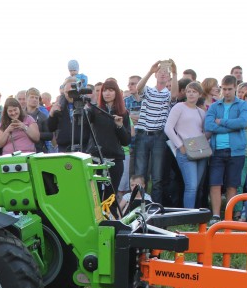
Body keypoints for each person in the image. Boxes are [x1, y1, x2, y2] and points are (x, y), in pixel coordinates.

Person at [132, 60, 180, 205]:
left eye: (166, 73)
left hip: (159, 136)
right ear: (156, 75)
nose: (163, 74)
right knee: (140, 175)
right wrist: (150, 71)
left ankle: (155, 209)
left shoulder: (167, 94)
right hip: (143, 134)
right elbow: (138, 89)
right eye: (160, 72)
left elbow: (174, 95)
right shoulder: (148, 90)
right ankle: (138, 208)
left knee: (157, 177)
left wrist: (175, 72)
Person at [204, 75, 247, 223]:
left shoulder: (242, 105)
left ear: (235, 88)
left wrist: (222, 122)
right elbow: (209, 126)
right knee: (215, 183)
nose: (227, 92)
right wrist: (230, 127)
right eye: (224, 89)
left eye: (230, 89)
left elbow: (242, 123)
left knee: (232, 184)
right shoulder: (214, 106)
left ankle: (229, 217)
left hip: (236, 151)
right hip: (217, 150)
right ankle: (216, 215)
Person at [164, 81, 208, 209]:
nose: (191, 94)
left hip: (200, 150)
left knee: (197, 186)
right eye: (189, 91)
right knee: (191, 186)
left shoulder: (201, 112)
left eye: (194, 92)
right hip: (184, 150)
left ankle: (194, 212)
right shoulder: (179, 107)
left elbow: (203, 131)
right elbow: (168, 128)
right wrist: (180, 146)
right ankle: (189, 215)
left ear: (199, 94)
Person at [84, 78, 132, 195]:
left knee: (111, 199)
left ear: (116, 92)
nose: (107, 93)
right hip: (95, 160)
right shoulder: (93, 110)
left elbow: (126, 141)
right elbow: (81, 127)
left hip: (115, 161)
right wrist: (83, 111)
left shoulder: (124, 113)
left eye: (111, 90)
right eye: (105, 90)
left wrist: (120, 126)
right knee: (95, 197)